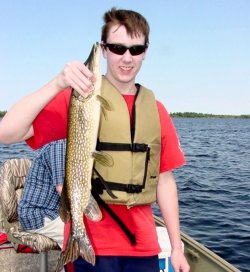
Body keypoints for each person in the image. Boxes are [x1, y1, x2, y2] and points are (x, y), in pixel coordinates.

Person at [0, 7, 190, 272]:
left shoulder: (156, 110)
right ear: (103, 49)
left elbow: (165, 182)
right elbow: (7, 132)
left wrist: (177, 247)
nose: (126, 58)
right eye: (117, 48)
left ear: (145, 52)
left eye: (135, 49)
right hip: (92, 244)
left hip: (143, 245)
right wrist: (58, 83)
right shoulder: (76, 99)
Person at [18, 139, 66, 249]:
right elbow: (62, 190)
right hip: (39, 215)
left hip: (52, 211)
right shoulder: (59, 145)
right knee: (81, 236)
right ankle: (73, 265)